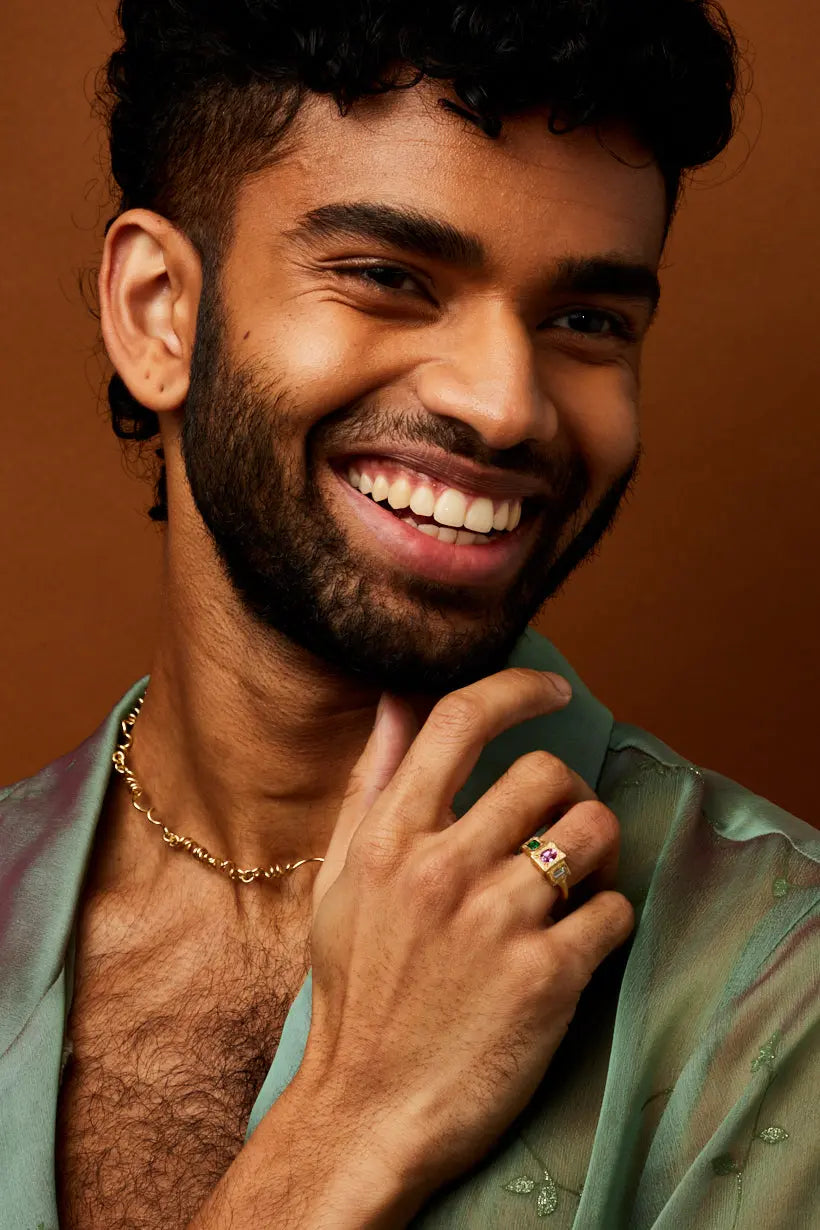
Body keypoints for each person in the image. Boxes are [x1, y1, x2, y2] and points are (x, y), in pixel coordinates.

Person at [1, 1, 817, 1227]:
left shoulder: (780, 984)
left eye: (586, 321)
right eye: (389, 278)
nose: (504, 406)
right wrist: (347, 1128)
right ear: (161, 311)